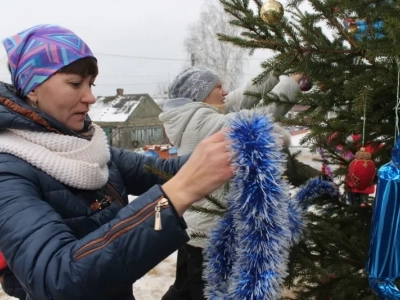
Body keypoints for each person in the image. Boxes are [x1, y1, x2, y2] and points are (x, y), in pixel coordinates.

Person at [0, 25, 234, 300]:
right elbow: (57, 278)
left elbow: (164, 171)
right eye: (76, 84)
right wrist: (173, 198)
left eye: (91, 84)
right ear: (32, 88)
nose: (90, 97)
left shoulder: (91, 147)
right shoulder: (9, 171)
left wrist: (226, 146)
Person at [159, 66, 304, 300]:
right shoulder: (201, 122)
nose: (225, 92)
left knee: (184, 289)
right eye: (218, 87)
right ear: (201, 93)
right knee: (199, 291)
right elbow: (259, 115)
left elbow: (244, 95)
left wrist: (276, 70)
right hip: (207, 232)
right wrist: (292, 82)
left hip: (195, 227)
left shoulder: (194, 115)